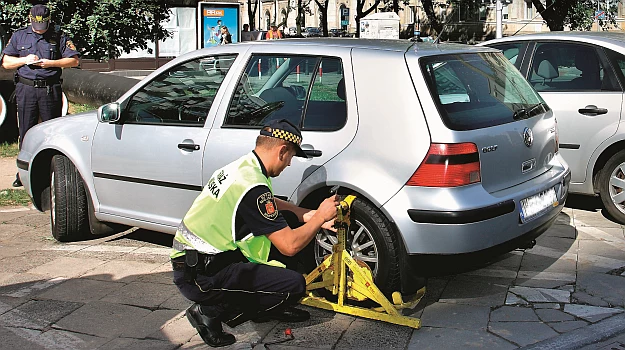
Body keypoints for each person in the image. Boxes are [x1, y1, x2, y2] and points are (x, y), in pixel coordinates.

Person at [171, 119, 338, 347]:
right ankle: (209, 311)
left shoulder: (244, 167)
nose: (289, 164)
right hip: (201, 277)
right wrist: (319, 217)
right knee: (294, 286)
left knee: (289, 221)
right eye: (290, 157)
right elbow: (290, 246)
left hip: (197, 261)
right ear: (282, 151)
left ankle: (267, 306)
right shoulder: (253, 184)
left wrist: (304, 214)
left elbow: (268, 203)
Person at [0, 4, 79, 187]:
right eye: (37, 25)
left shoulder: (58, 35)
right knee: (26, 131)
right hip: (26, 90)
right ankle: (23, 174)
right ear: (30, 19)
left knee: (52, 132)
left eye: (43, 24)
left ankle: (51, 173)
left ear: (48, 21)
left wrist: (52, 63)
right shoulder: (20, 35)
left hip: (49, 90)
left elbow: (74, 60)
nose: (40, 28)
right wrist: (24, 60)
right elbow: (5, 62)